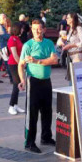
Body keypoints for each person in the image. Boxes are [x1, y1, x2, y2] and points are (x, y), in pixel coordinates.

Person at [18, 20, 58, 153]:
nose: (36, 31)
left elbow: (55, 60)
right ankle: (29, 142)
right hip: (33, 81)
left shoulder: (49, 43)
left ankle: (46, 137)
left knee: (47, 111)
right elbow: (21, 65)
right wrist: (22, 80)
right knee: (32, 113)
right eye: (34, 29)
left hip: (46, 81)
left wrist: (37, 61)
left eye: (39, 29)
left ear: (44, 30)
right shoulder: (28, 45)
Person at [59, 13, 82, 81]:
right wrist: (63, 42)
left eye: (68, 18)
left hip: (77, 56)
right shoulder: (70, 29)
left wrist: (71, 46)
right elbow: (68, 41)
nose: (66, 19)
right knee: (72, 79)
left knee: (78, 79)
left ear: (72, 19)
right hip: (70, 56)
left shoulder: (78, 28)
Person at [7, 24, 25, 115]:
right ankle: (11, 106)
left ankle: (15, 105)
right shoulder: (12, 39)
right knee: (16, 84)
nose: (22, 30)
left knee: (18, 84)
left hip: (17, 63)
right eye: (21, 28)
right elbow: (14, 55)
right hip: (14, 64)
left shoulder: (17, 38)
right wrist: (21, 64)